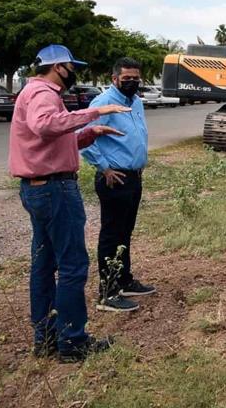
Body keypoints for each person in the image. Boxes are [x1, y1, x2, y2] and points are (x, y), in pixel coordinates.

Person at [9, 44, 130, 362]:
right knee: (73, 266)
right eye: (72, 67)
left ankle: (47, 339)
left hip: (40, 188)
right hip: (55, 190)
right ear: (59, 66)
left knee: (45, 266)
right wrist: (96, 112)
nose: (75, 73)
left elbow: (47, 140)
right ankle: (73, 341)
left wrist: (88, 134)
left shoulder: (34, 92)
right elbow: (45, 126)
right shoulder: (44, 93)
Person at [82, 57, 154, 312]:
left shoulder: (135, 102)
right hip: (115, 178)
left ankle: (124, 280)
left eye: (136, 78)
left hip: (133, 177)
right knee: (112, 234)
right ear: (114, 79)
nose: (132, 83)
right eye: (127, 79)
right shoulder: (103, 104)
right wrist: (104, 167)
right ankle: (108, 292)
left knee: (125, 232)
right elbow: (84, 138)